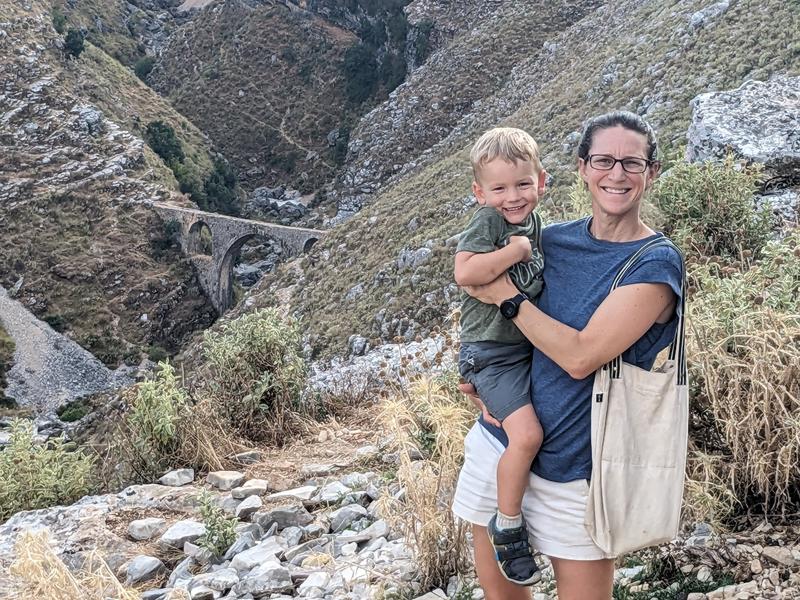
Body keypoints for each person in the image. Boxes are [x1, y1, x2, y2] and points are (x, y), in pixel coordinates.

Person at [451, 111, 684, 600]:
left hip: (579, 472)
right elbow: (472, 291)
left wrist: (507, 299)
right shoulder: (550, 240)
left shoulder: (655, 264)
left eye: (632, 163)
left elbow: (580, 357)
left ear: (652, 172)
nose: (616, 174)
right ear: (582, 167)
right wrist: (481, 390)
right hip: (502, 445)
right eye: (603, 160)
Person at [454, 127, 548, 586]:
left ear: (541, 181)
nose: (512, 197)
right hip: (492, 355)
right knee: (525, 435)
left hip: (518, 350)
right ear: (480, 193)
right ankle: (508, 526)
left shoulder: (535, 223)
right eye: (499, 188)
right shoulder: (491, 222)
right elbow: (466, 272)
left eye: (522, 185)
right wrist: (516, 250)